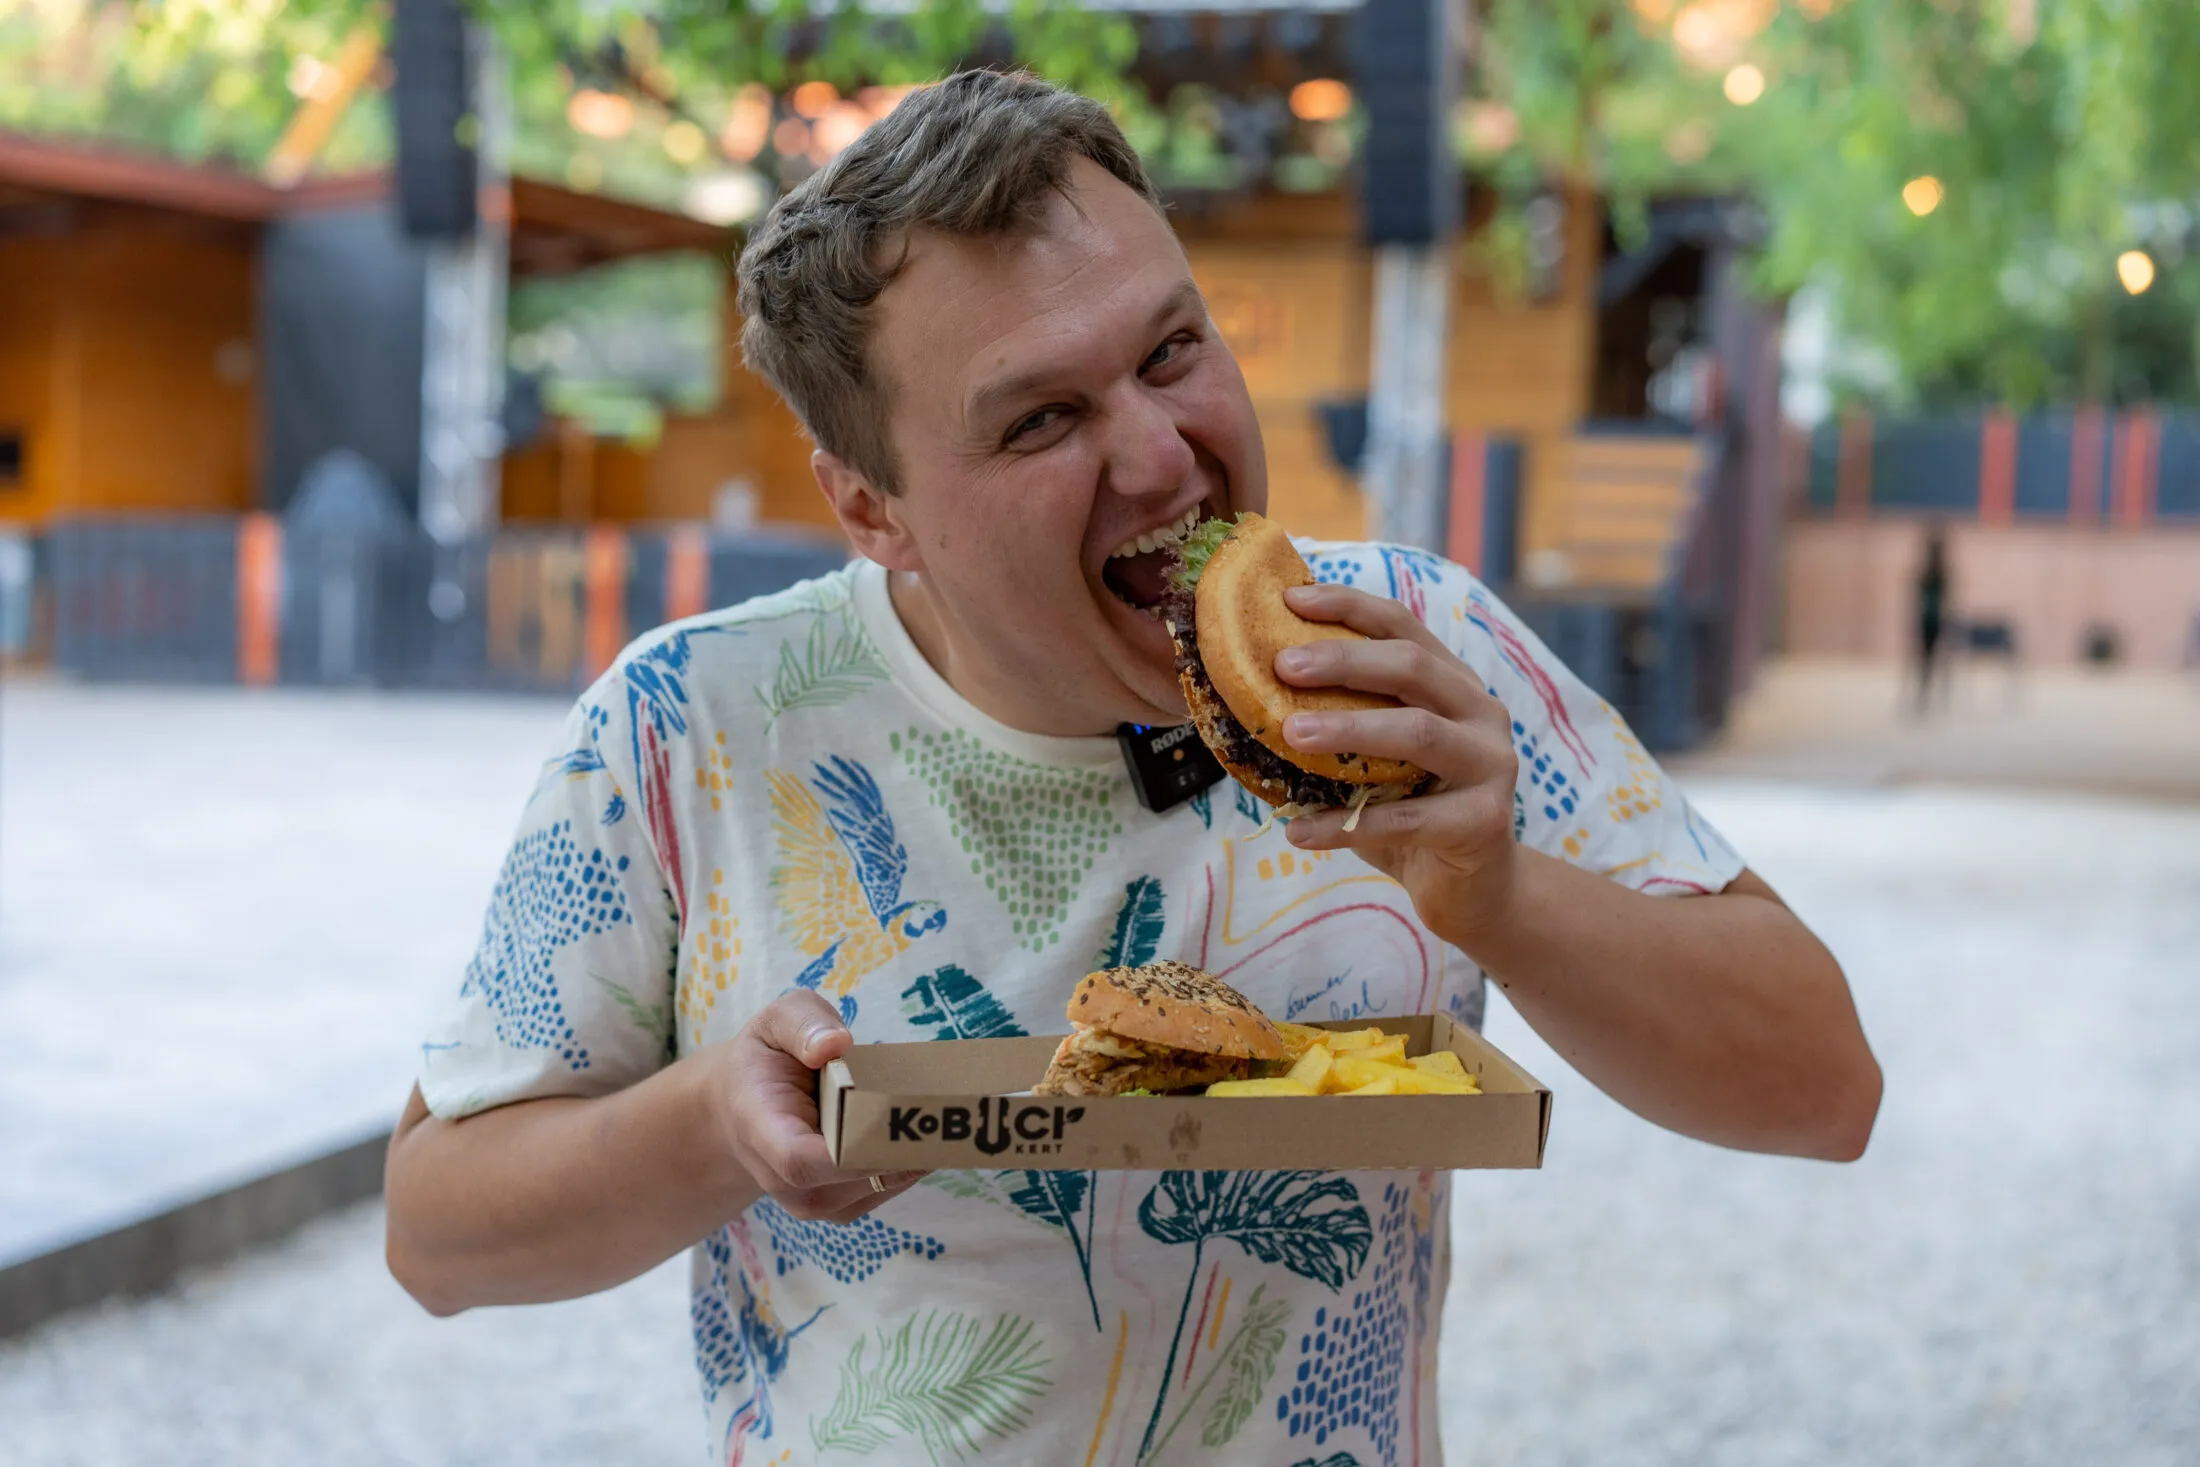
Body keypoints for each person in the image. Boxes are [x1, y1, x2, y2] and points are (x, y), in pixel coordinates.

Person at [384, 70, 1881, 1466]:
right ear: (874, 509)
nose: (1162, 458)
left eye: (1172, 351)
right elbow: (435, 1235)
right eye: (1042, 419)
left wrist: (1502, 894)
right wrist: (713, 1120)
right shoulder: (689, 722)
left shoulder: (1414, 653)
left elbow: (1822, 1091)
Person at [1914, 521, 1951, 713]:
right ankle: (1927, 694)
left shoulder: (1934, 573)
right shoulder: (1935, 573)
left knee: (1928, 660)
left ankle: (1927, 694)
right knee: (1928, 659)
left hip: (1932, 619)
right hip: (1931, 619)